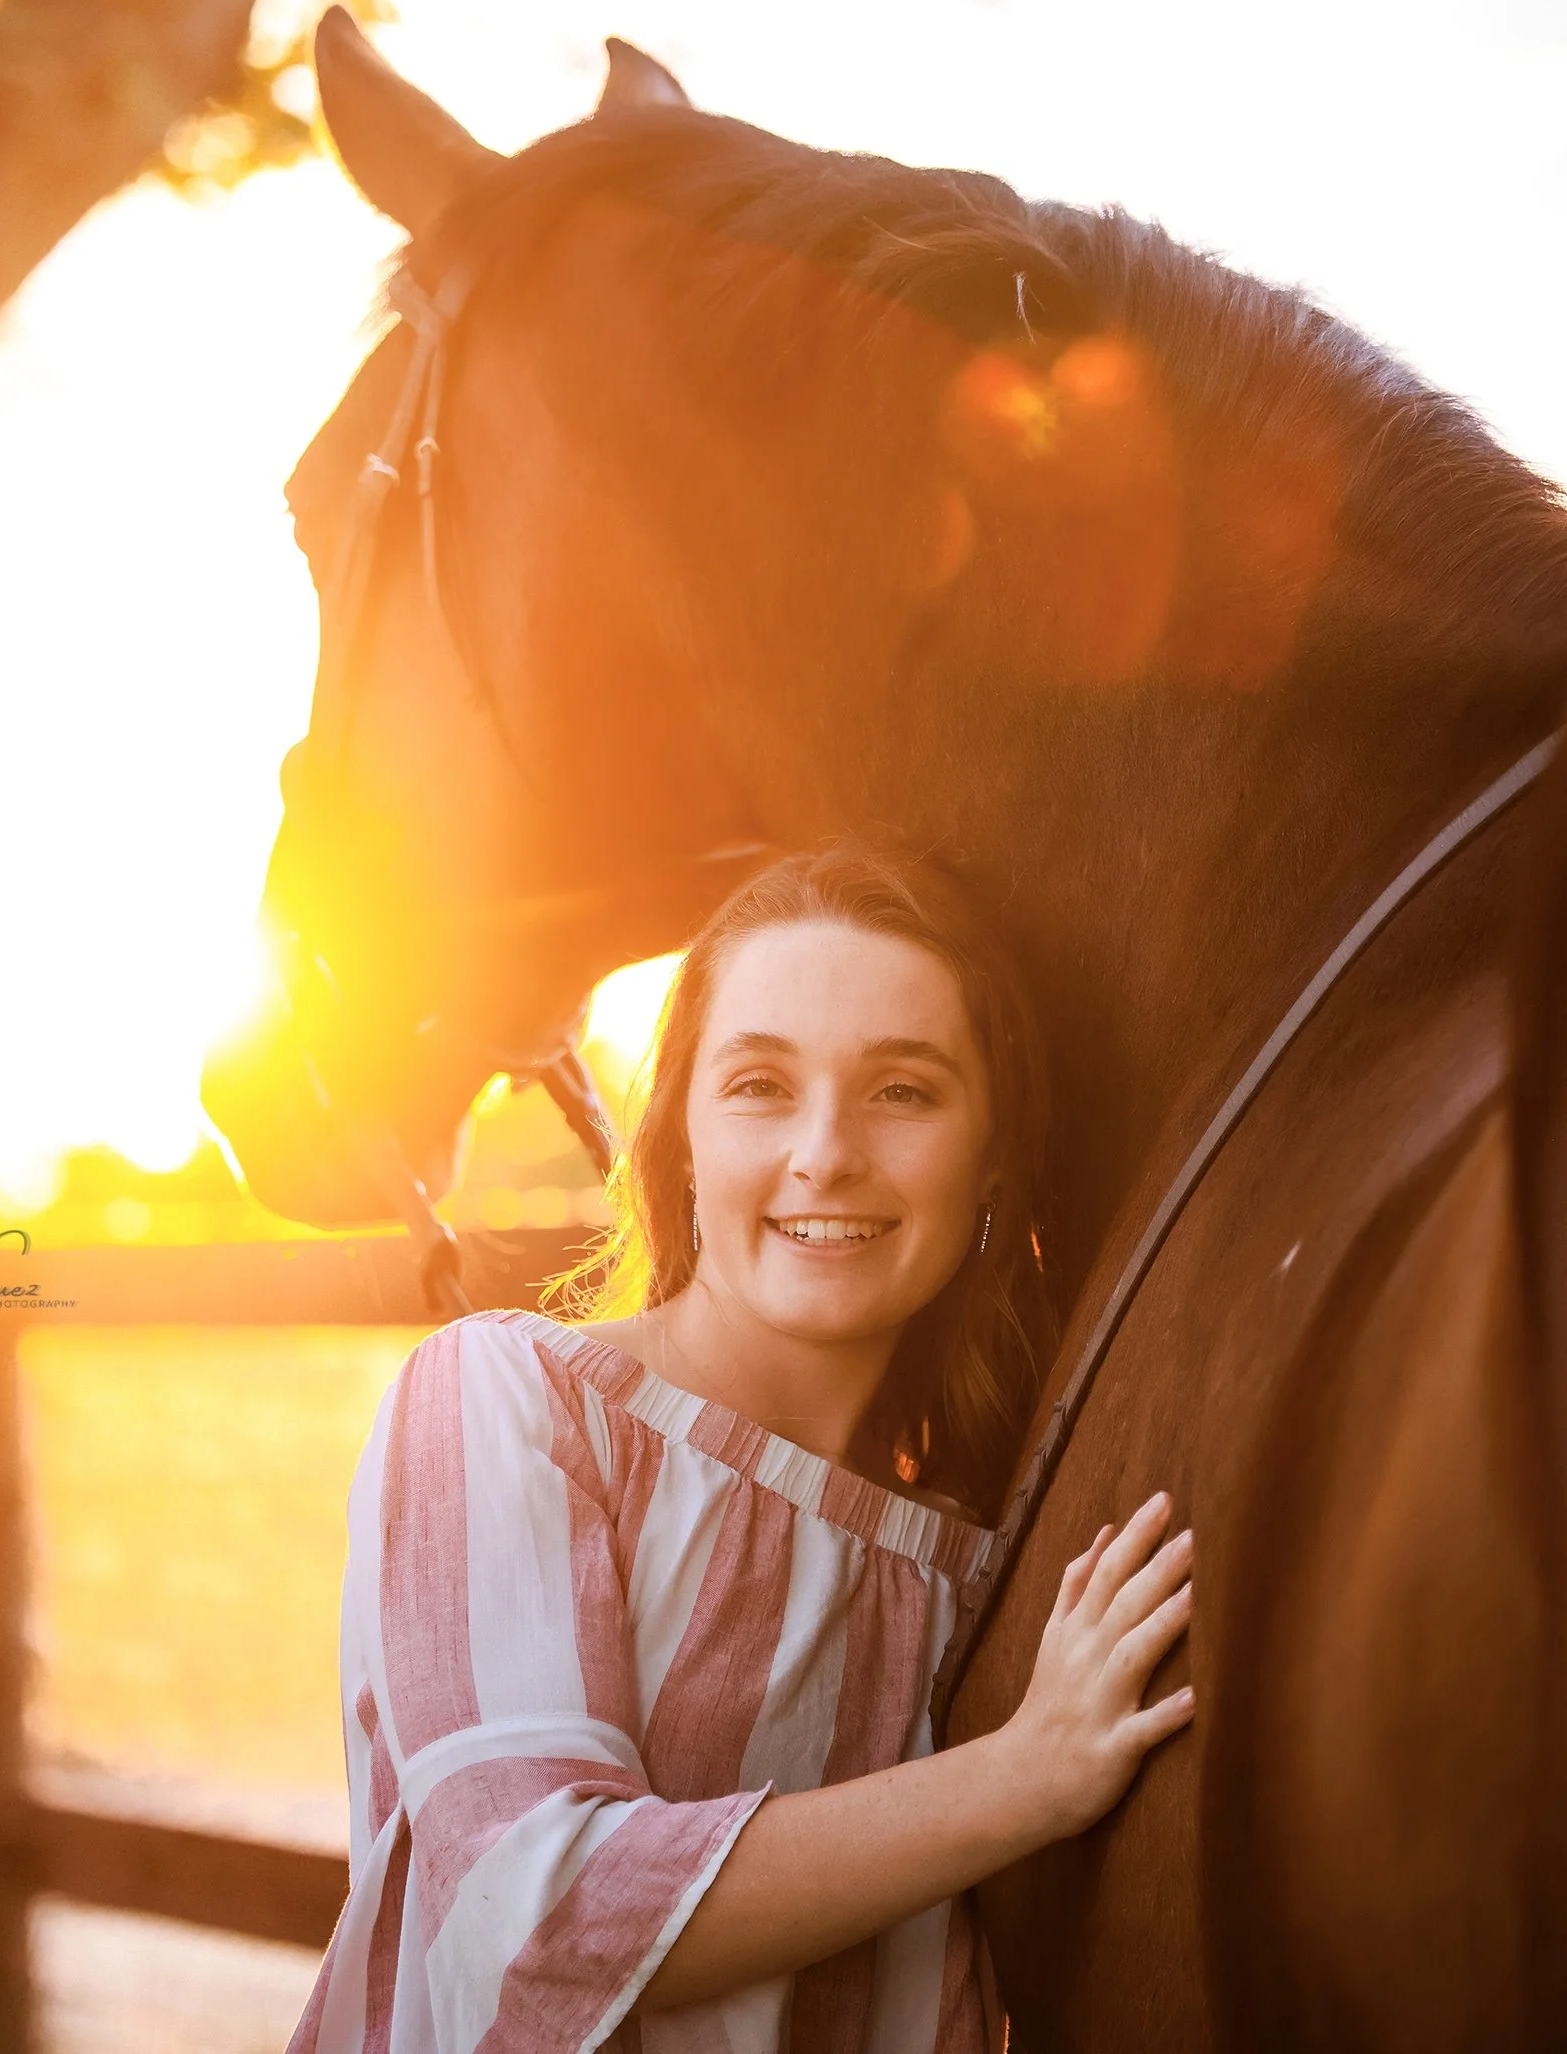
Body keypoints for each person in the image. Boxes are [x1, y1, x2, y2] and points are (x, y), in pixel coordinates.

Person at [286, 845, 1193, 2054]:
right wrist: (1025, 1777)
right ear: (680, 1141)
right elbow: (536, 1911)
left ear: (990, 1161)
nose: (825, 1152)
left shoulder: (990, 1563)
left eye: (903, 1091)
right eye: (761, 1085)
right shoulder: (509, 1400)